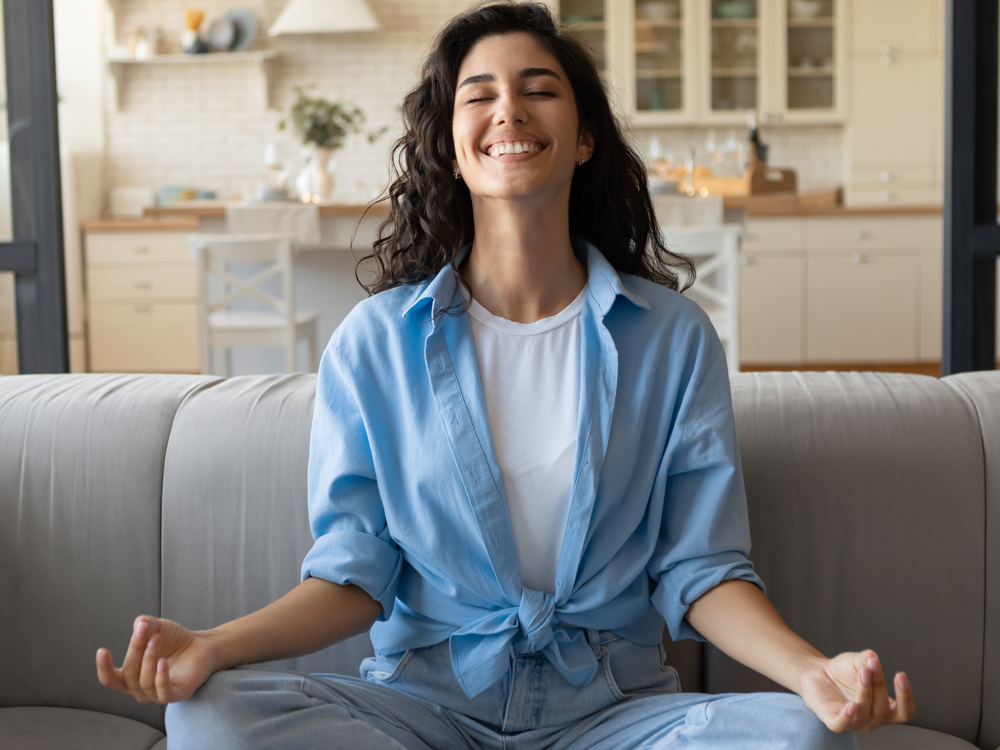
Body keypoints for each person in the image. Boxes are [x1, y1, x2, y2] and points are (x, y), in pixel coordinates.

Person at [95, 3, 915, 747]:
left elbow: (701, 570)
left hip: (614, 712)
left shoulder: (673, 339)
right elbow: (354, 571)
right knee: (209, 717)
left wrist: (812, 671)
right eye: (479, 94)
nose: (509, 111)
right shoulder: (374, 343)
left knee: (803, 736)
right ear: (453, 146)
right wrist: (215, 645)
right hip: (422, 710)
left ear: (585, 137)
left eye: (539, 89)